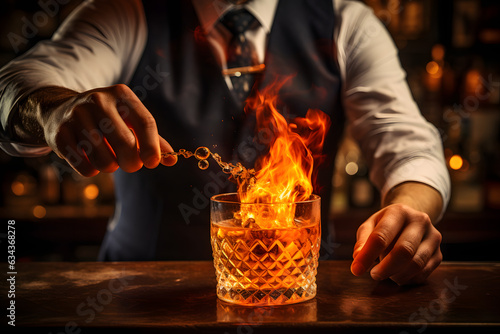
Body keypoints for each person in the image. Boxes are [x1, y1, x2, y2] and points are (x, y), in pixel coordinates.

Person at [0, 0, 450, 285]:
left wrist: (409, 207)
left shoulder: (344, 21)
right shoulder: (126, 11)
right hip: (137, 300)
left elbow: (408, 143)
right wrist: (52, 109)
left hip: (297, 303)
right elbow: (19, 83)